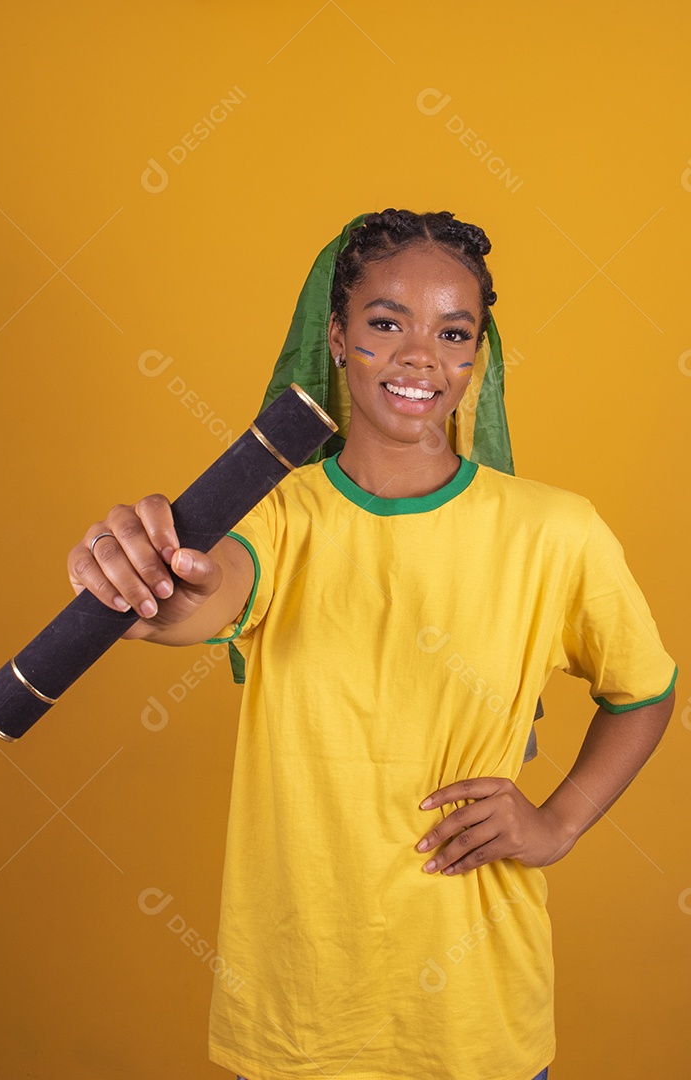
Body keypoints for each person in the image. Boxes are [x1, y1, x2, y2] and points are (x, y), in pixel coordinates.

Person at [68, 210, 677, 1080]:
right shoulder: (278, 513)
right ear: (338, 336)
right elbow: (208, 594)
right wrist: (151, 583)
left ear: (477, 357)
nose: (420, 356)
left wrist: (559, 821)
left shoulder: (557, 532)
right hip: (297, 1022)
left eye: (453, 332)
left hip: (479, 1023)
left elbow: (644, 690)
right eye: (387, 322)